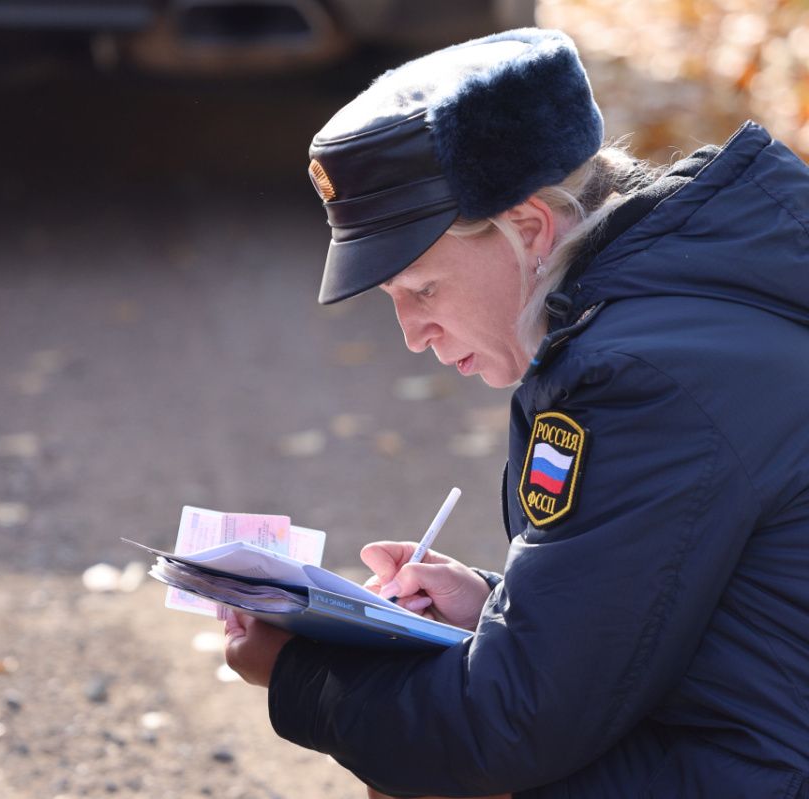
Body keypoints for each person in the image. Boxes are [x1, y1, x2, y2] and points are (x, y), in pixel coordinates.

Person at [222, 27, 809, 798]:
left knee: (440, 769)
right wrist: (498, 605)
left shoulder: (639, 376)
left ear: (529, 229)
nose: (412, 334)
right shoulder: (685, 305)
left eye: (422, 289)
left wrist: (296, 673)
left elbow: (507, 729)